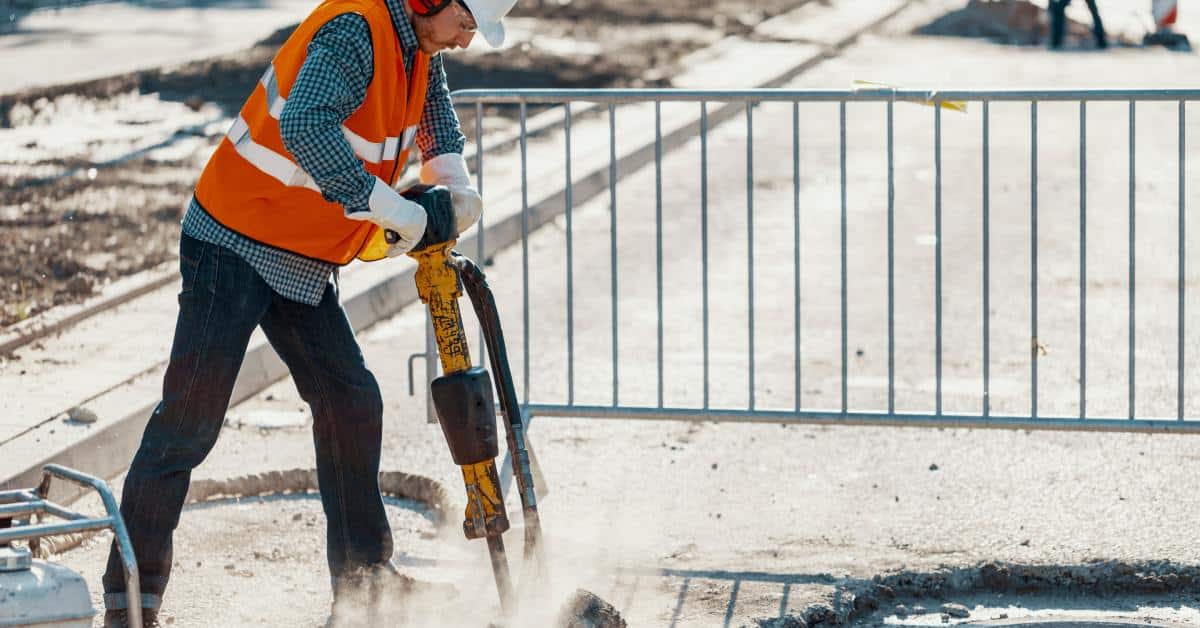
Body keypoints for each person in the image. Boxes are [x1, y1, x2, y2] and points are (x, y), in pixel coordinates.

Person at [100, 0, 517, 625]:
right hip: (233, 241)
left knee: (351, 402)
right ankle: (131, 602)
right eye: (467, 22)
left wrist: (456, 189)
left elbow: (436, 122)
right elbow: (306, 128)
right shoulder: (357, 32)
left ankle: (364, 584)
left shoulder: (417, 51)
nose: (468, 38)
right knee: (189, 422)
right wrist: (393, 209)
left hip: (298, 256)